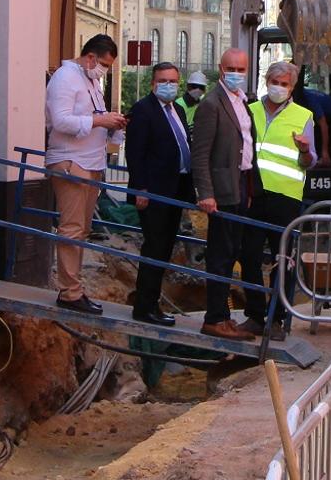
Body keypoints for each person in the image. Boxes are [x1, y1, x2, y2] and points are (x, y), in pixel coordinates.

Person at [44, 34, 127, 314]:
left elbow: (92, 119)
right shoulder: (66, 78)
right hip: (70, 162)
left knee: (82, 230)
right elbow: (61, 120)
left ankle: (74, 289)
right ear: (90, 57)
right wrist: (99, 120)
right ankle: (69, 292)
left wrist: (112, 124)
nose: (104, 70)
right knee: (71, 228)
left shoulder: (91, 81)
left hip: (90, 162)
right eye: (103, 64)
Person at [239, 61, 317, 340]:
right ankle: (255, 315)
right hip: (252, 193)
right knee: (247, 255)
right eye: (275, 82)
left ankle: (276, 318)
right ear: (266, 80)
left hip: (286, 197)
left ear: (292, 87)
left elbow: (309, 162)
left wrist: (305, 151)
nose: (279, 88)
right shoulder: (250, 111)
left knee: (282, 259)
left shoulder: (303, 115)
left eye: (285, 84)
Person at [190, 48, 258, 341]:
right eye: (231, 68)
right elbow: (200, 153)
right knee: (220, 253)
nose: (236, 74)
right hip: (221, 191)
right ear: (221, 69)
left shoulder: (243, 102)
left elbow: (246, 148)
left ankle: (225, 316)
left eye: (241, 69)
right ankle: (215, 317)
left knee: (232, 252)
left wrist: (250, 188)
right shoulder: (211, 104)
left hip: (241, 185)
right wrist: (205, 193)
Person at [125, 61, 195, 326]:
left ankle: (153, 303)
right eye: (163, 81)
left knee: (165, 248)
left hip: (175, 189)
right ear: (153, 83)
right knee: (154, 248)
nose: (169, 86)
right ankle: (144, 307)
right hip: (153, 192)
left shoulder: (177, 108)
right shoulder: (143, 111)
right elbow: (135, 153)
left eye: (173, 81)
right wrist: (140, 188)